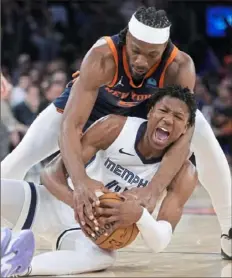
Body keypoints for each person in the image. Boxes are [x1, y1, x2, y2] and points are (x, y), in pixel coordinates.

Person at [1, 7, 231, 258]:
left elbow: (183, 136)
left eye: (152, 55)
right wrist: (80, 183)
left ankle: (229, 229)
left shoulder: (179, 66)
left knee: (202, 135)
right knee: (21, 156)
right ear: (126, 40)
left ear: (164, 50)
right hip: (85, 110)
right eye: (136, 51)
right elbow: (71, 125)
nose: (142, 61)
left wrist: (153, 190)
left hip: (140, 112)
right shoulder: (102, 55)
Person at [1, 86, 199, 276]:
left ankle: (18, 265)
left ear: (186, 129)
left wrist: (139, 216)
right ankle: (4, 241)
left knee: (102, 259)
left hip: (92, 235)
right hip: (54, 204)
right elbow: (51, 172)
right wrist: (78, 200)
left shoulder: (184, 174)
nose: (168, 120)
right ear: (150, 112)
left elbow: (160, 242)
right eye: (163, 111)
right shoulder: (115, 127)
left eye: (178, 117)